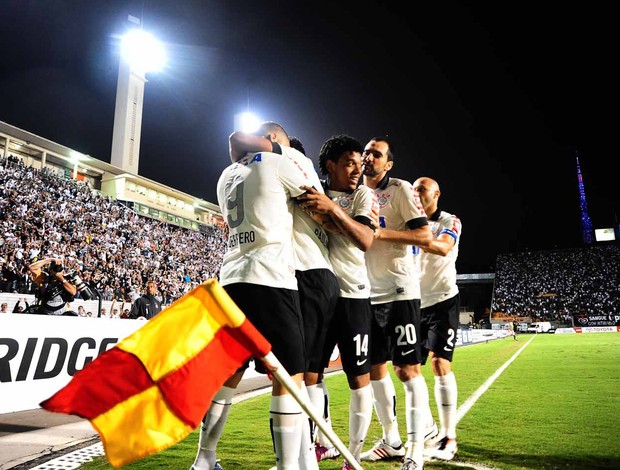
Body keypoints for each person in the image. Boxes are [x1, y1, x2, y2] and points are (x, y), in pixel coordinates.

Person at [192, 127, 338, 470]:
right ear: (272, 137)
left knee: (228, 373)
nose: (290, 149)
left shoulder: (226, 174)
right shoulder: (280, 160)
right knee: (291, 376)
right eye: (284, 143)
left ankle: (204, 459)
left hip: (230, 279)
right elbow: (319, 209)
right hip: (271, 279)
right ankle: (289, 467)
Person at [297, 134, 377, 469]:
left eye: (361, 164)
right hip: (319, 295)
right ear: (330, 165)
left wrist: (330, 211)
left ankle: (353, 457)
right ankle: (323, 442)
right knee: (312, 376)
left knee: (359, 379)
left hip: (354, 296)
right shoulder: (313, 188)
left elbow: (365, 239)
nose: (358, 170)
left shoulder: (363, 195)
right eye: (350, 163)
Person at [360, 137, 434, 470]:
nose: (368, 157)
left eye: (376, 154)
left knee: (407, 370)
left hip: (400, 290)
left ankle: (417, 447)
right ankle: (392, 440)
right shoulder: (354, 192)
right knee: (374, 369)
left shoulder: (401, 190)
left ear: (388, 164)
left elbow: (424, 237)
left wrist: (381, 234)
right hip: (366, 293)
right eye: (366, 152)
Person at [412, 176, 462, 462]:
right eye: (414, 189)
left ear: (436, 193)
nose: (416, 193)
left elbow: (443, 247)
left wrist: (412, 235)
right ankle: (430, 427)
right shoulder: (408, 221)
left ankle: (448, 436)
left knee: (439, 363)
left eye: (422, 189)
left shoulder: (450, 221)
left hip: (443, 301)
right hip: (413, 302)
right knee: (405, 367)